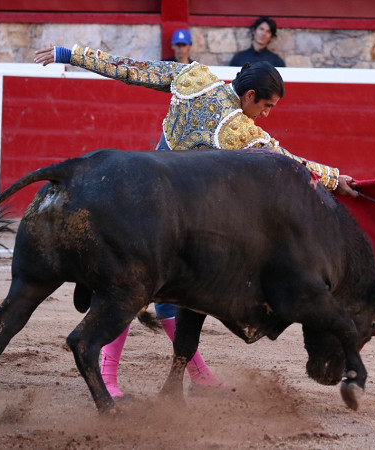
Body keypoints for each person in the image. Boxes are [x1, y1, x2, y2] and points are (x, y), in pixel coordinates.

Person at [33, 43, 358, 398]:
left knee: (164, 296)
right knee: (132, 291)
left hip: (136, 192)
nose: (265, 115)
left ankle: (196, 372)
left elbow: (129, 69)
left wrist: (70, 55)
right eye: (266, 106)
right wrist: (332, 177)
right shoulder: (240, 131)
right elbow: (287, 162)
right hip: (175, 217)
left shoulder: (193, 76)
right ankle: (110, 377)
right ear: (250, 95)